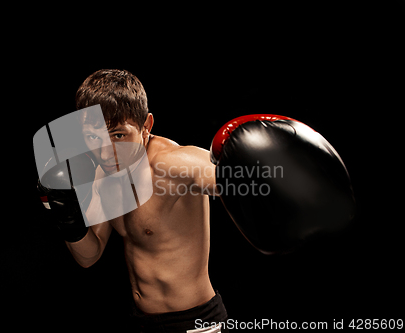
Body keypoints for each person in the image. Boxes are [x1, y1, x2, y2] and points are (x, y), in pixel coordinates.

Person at [36, 69, 355, 332]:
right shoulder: (104, 172)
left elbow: (215, 174)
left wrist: (280, 179)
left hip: (197, 323)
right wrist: (68, 220)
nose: (106, 151)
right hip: (142, 321)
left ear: (146, 126)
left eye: (119, 135)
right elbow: (88, 256)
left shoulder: (169, 165)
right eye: (94, 138)